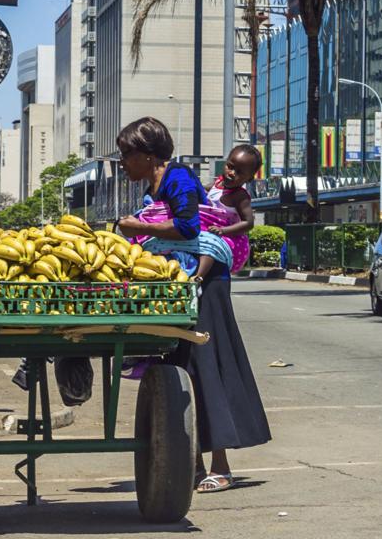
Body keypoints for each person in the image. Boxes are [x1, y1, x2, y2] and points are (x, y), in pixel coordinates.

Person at [116, 117, 271, 494]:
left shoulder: (178, 179)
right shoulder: (156, 183)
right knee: (177, 366)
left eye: (127, 155)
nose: (123, 163)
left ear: (149, 156)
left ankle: (221, 465)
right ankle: (194, 462)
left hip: (206, 284)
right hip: (179, 284)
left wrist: (140, 229)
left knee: (205, 366)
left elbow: (187, 228)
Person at [133, 145, 262, 279]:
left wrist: (223, 230)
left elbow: (248, 223)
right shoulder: (219, 183)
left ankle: (199, 276)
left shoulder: (240, 196)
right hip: (210, 226)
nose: (232, 173)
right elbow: (203, 190)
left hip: (229, 236)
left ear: (249, 178)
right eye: (230, 166)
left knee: (209, 247)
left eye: (239, 172)